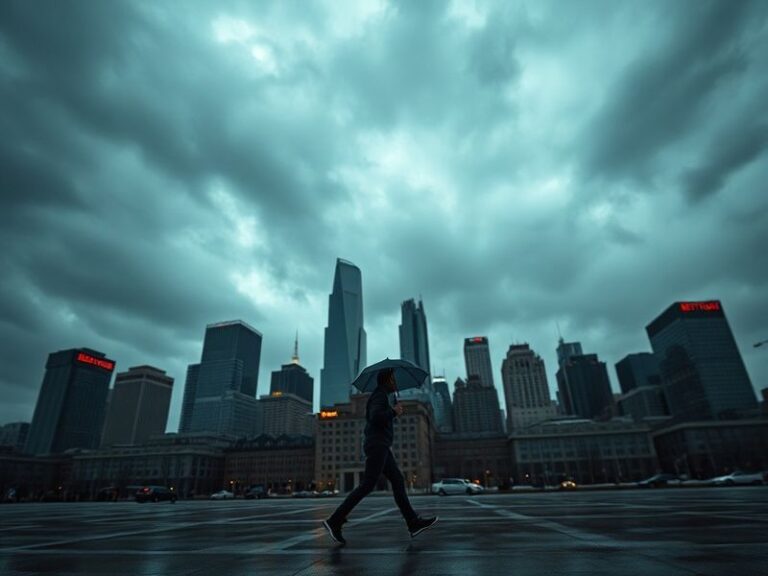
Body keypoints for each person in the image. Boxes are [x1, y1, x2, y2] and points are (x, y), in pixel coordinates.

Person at [322, 368, 438, 544]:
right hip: (378, 445)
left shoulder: (384, 396)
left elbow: (379, 418)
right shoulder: (379, 395)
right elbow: (376, 417)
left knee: (397, 480)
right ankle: (334, 520)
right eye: (393, 379)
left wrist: (392, 412)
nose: (396, 382)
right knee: (367, 485)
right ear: (387, 380)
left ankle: (413, 522)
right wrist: (393, 412)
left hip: (381, 445)